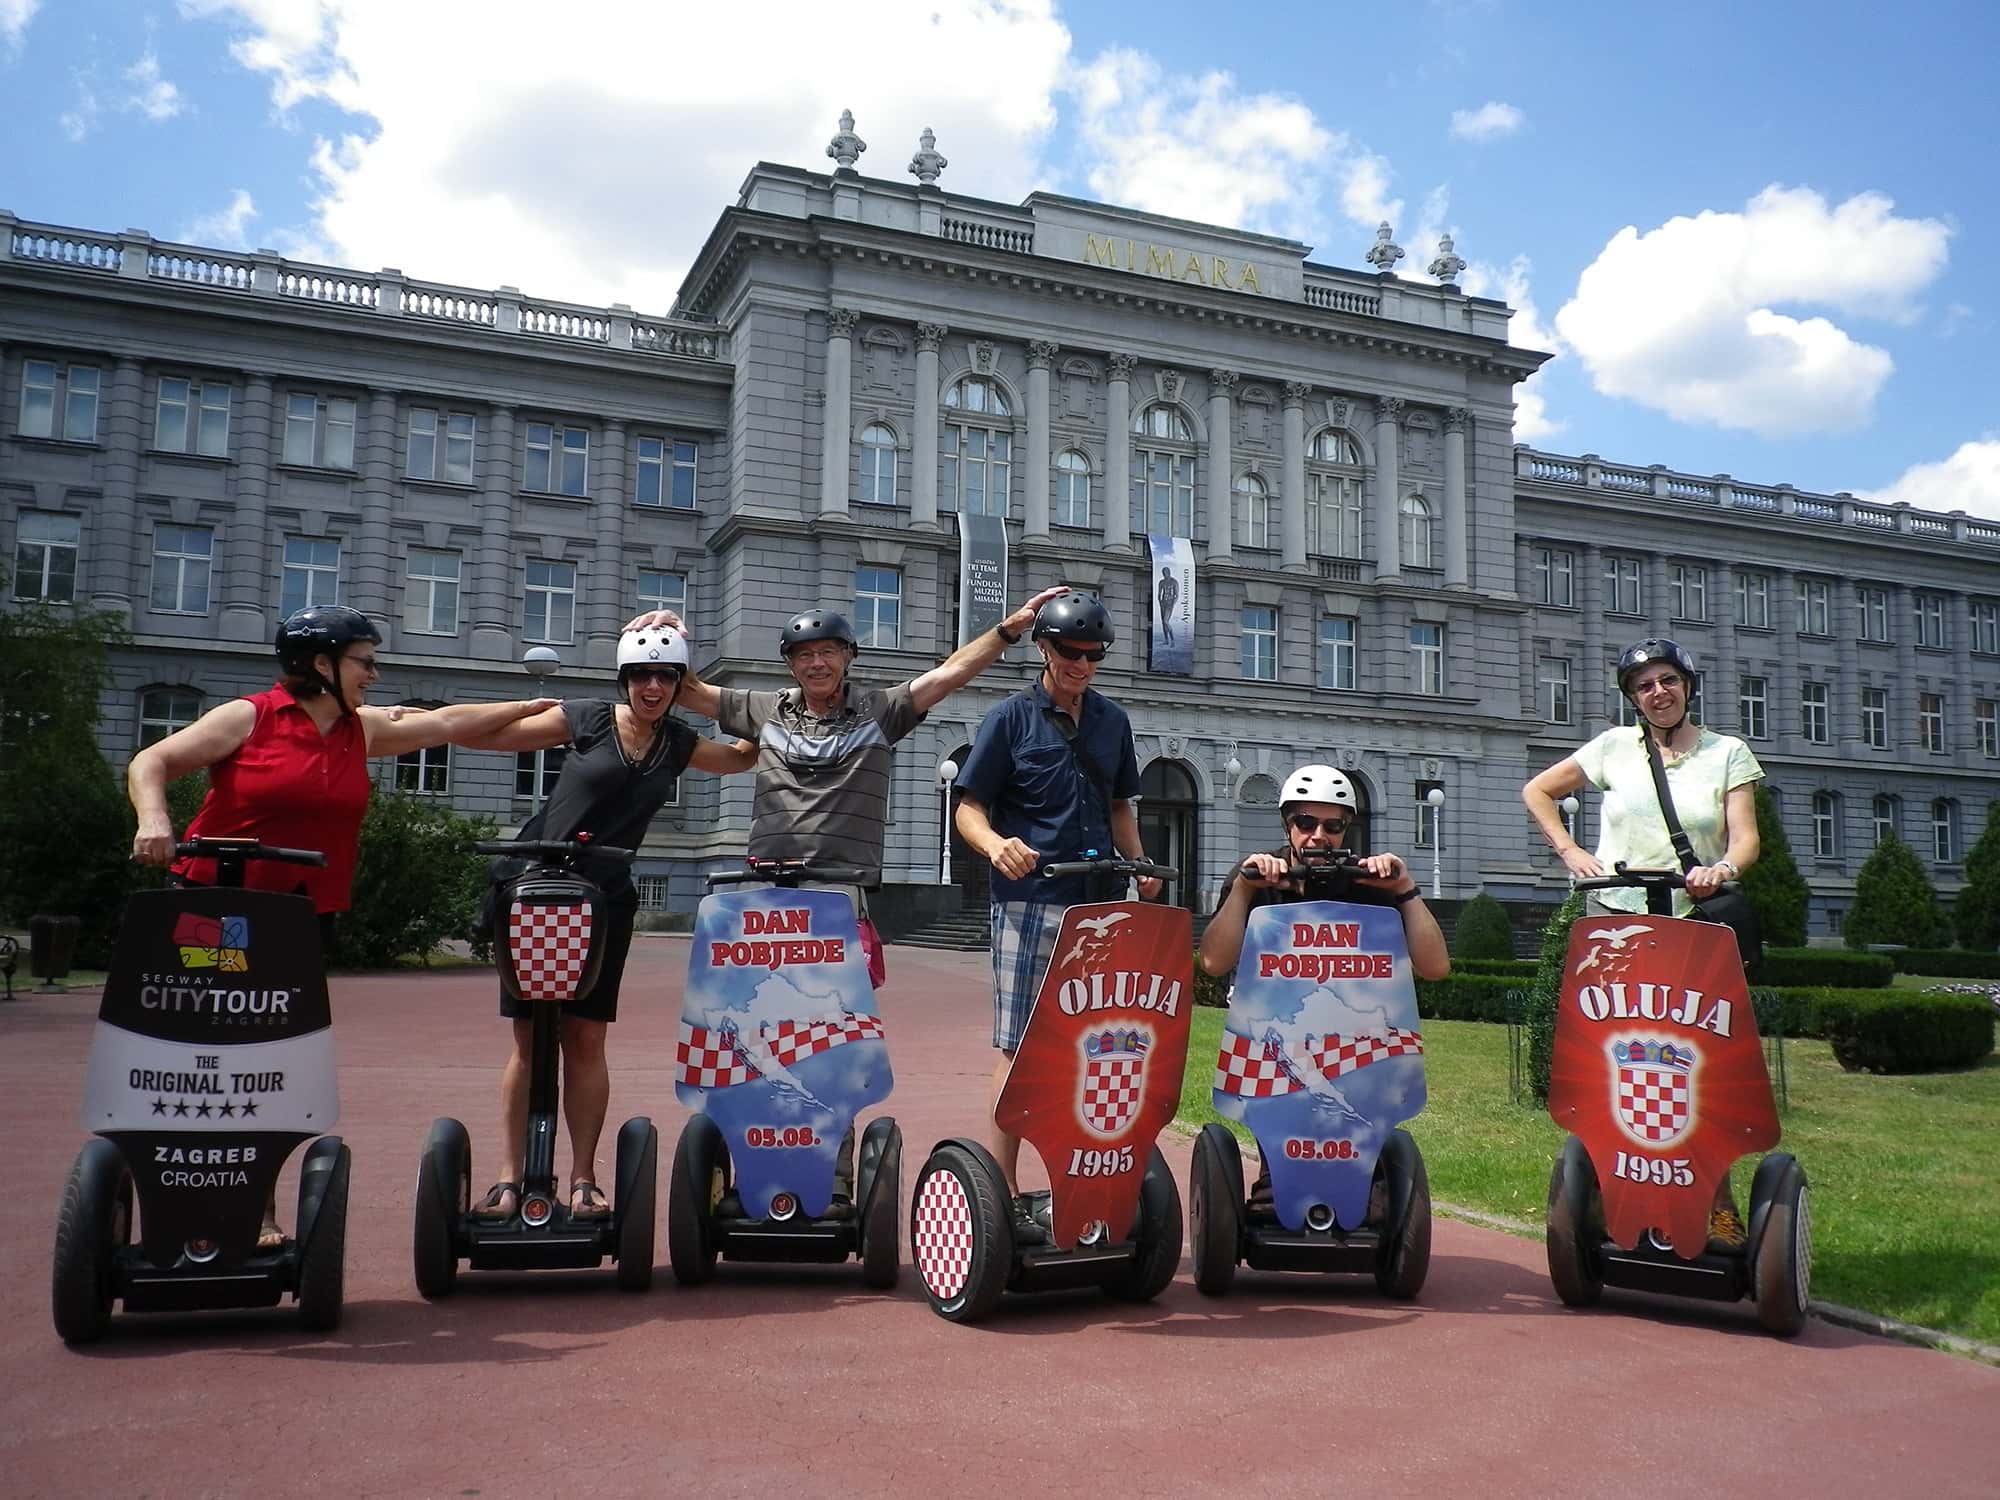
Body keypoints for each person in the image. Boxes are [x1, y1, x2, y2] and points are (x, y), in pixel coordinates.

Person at [128, 603, 560, 1248]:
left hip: (296, 918)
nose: (374, 675)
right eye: (365, 662)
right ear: (320, 664)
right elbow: (150, 763)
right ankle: (195, 1198)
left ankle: (257, 1206)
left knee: (272, 1056)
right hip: (213, 911)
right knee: (210, 1050)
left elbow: (445, 722)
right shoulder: (250, 716)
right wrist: (154, 821)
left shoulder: (359, 731)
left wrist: (533, 709)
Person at [452, 626, 753, 1223]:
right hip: (538, 892)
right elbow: (493, 740)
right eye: (641, 675)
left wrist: (722, 696)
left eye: (666, 677)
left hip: (605, 899)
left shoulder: (678, 743)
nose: (651, 686)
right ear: (624, 679)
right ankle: (510, 1175)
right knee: (532, 1039)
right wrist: (470, 713)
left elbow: (744, 757)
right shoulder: (588, 719)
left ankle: (586, 1176)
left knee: (587, 1037)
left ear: (677, 684)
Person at [624, 584, 1064, 984]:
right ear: (790, 664)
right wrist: (668, 641)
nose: (817, 663)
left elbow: (950, 673)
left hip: (838, 890)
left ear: (849, 655)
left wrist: (1009, 629)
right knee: (759, 1014)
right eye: (803, 655)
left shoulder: (880, 710)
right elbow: (690, 690)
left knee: (836, 1024)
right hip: (766, 889)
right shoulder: (766, 711)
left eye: (828, 652)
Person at [1521, 636, 1764, 1251]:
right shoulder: (1612, 748)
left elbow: (1745, 840)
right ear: (1633, 698)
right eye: (1644, 685)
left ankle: (1717, 1203)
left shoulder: (1727, 753)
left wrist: (1722, 871)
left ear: (1687, 685)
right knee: (1613, 1062)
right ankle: (1613, 1190)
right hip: (1617, 921)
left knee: (1700, 1064)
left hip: (1694, 921)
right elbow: (1538, 790)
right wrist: (1573, 852)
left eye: (1667, 680)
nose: (1658, 692)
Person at [953, 589, 1161, 1201]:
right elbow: (969, 808)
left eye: (1094, 655)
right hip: (1031, 902)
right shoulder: (1009, 720)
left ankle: (1082, 1186)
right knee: (1019, 1049)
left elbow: (1120, 805)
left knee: (1098, 1048)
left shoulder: (1113, 722)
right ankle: (999, 1192)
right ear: (1044, 648)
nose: (1083, 666)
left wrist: (1140, 860)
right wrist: (995, 846)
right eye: (1071, 653)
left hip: (1102, 904)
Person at [1199, 762, 1449, 1218]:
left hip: (1352, 1034)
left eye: (1332, 825)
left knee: (1353, 1088)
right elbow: (1214, 962)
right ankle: (1277, 1173)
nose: (1318, 836)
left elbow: (1434, 968)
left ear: (1346, 828)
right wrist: (1243, 889)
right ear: (1287, 824)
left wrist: (1406, 890)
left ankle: (1363, 1175)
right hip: (1274, 1036)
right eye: (1305, 823)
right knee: (1282, 1083)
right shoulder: (1256, 877)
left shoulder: (1366, 881)